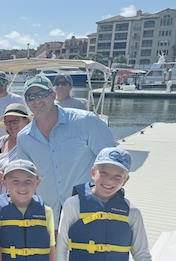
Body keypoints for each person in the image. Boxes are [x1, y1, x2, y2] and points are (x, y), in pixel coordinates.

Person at [17, 75, 115, 229]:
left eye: (42, 94)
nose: (37, 100)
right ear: (26, 101)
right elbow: (26, 177)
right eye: (31, 96)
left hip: (88, 211)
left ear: (53, 95)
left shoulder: (86, 121)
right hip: (48, 217)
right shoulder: (23, 138)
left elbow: (112, 164)